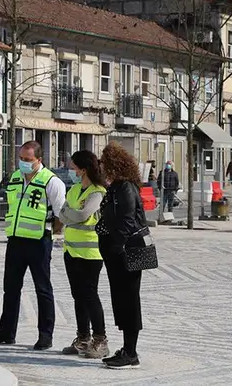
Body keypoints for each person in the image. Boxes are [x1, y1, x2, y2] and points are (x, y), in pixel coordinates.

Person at [0, 140, 66, 350]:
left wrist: (51, 232)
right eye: (21, 159)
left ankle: (45, 335)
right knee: (10, 289)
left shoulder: (51, 182)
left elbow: (61, 215)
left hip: (39, 242)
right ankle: (6, 332)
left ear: (39, 160)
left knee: (43, 289)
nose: (23, 163)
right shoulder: (15, 178)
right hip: (15, 240)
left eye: (28, 160)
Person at [97, 142, 146, 368]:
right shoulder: (116, 186)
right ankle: (127, 349)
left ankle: (131, 352)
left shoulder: (125, 187)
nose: (101, 167)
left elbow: (127, 221)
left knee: (128, 301)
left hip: (128, 252)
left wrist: (115, 246)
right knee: (122, 300)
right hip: (118, 252)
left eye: (104, 163)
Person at [57, 150, 109, 358]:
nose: (71, 170)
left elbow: (81, 214)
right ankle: (82, 337)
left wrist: (70, 215)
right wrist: (70, 215)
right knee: (78, 296)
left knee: (90, 296)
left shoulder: (98, 191)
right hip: (71, 250)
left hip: (90, 252)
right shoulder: (75, 189)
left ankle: (100, 339)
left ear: (83, 169)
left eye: (73, 167)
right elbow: (62, 212)